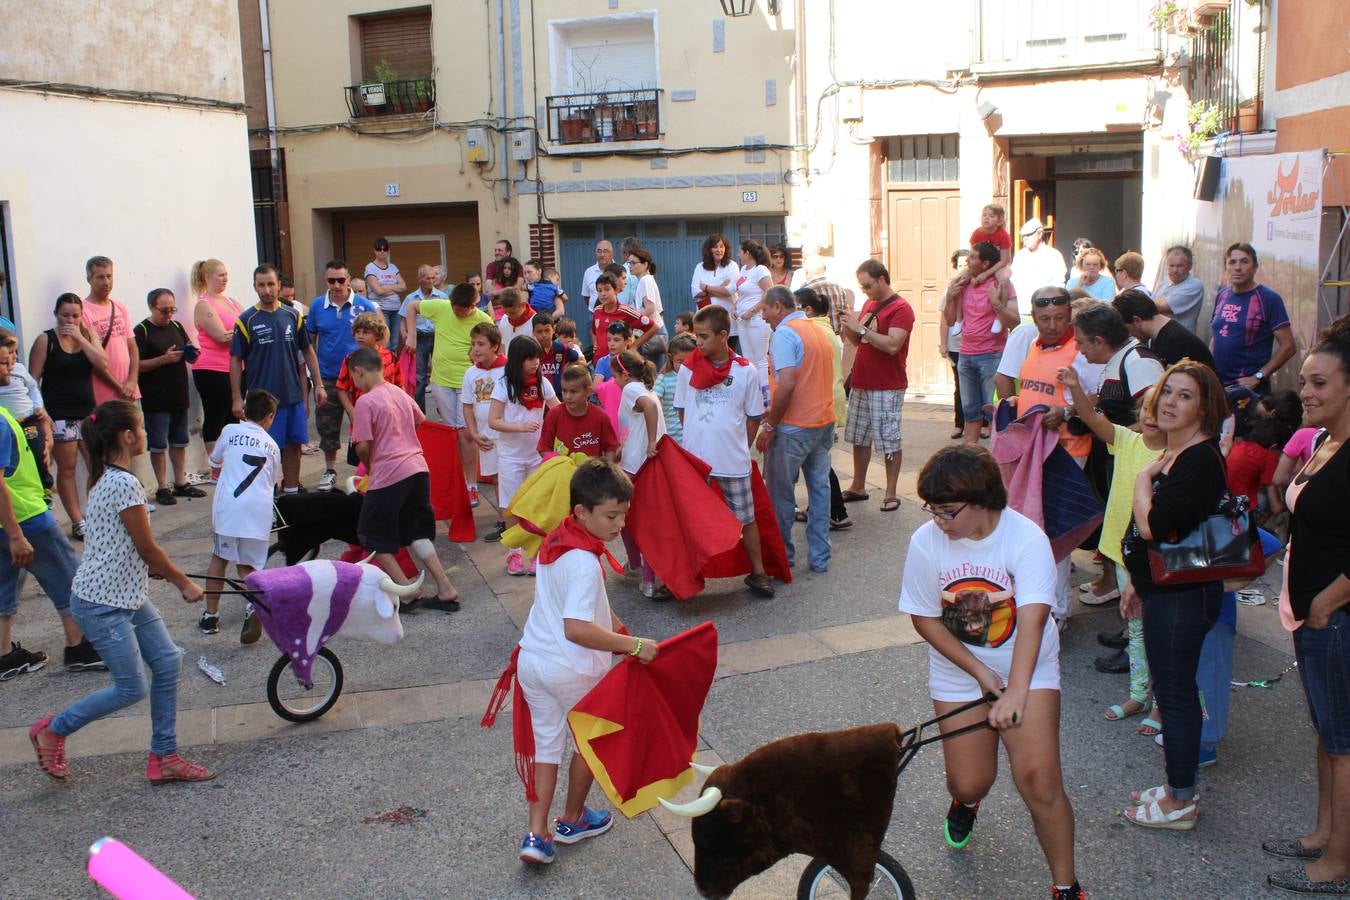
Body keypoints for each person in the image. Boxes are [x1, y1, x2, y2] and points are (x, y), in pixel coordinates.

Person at [899, 445, 1082, 900]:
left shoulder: (1025, 538)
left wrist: (1016, 689)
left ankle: (1066, 885)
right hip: (961, 670)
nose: (938, 520)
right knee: (969, 779)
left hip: (1028, 669)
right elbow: (923, 617)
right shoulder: (926, 541)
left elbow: (1035, 617)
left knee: (1040, 782)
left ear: (982, 501)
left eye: (948, 511)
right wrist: (980, 672)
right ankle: (967, 800)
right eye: (933, 509)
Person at [29, 400, 213, 785]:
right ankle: (53, 729)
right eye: (141, 429)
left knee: (166, 661)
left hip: (123, 594)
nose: (144, 434)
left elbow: (120, 545)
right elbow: (147, 548)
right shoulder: (124, 482)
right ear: (128, 436)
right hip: (102, 604)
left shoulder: (106, 478)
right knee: (130, 687)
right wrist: (183, 582)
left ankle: (164, 755)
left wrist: (146, 568)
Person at [512, 459, 659, 864]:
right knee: (590, 741)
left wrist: (620, 630)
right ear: (582, 512)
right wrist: (632, 646)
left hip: (534, 662)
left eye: (624, 514)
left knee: (547, 744)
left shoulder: (560, 538)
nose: (620, 525)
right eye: (611, 516)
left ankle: (536, 835)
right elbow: (577, 627)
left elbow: (584, 607)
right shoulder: (582, 561)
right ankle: (573, 820)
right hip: (571, 666)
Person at [1118, 361, 1231, 830]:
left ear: (1205, 408)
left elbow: (1155, 527)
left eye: (1184, 396)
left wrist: (1143, 482)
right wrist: (1138, 585)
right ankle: (1173, 789)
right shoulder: (1178, 455)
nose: (1169, 402)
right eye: (1168, 392)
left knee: (1176, 695)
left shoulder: (1199, 458)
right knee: (1175, 690)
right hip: (1167, 592)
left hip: (1183, 598)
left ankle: (1180, 800)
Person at [1265, 316, 1350, 893]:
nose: (1307, 393)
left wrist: (1327, 603)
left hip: (1336, 619)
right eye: (1304, 382)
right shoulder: (1323, 442)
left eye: (1320, 383)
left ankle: (1339, 862)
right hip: (1310, 615)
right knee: (1327, 735)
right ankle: (1323, 833)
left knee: (1345, 744)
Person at [1059, 367, 1163, 728]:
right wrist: (1074, 387)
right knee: (1135, 626)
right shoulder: (1127, 441)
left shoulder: (1176, 455)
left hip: (1155, 556)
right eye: (1147, 410)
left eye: (1160, 411)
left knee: (1160, 631)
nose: (1152, 417)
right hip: (1123, 551)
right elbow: (1090, 416)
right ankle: (1138, 694)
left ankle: (1162, 704)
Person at [349, 346, 461, 610]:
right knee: (415, 531)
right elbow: (419, 420)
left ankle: (406, 592)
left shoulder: (365, 401)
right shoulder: (399, 392)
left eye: (354, 378)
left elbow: (363, 445)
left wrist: (371, 464)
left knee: (370, 534)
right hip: (417, 468)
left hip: (389, 474)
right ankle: (446, 588)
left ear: (359, 371)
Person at [0, 397, 103, 680]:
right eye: (4, 360)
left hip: (10, 519)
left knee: (4, 585)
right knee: (68, 577)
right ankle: (79, 647)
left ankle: (4, 654)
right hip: (25, 517)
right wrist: (16, 534)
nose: (11, 366)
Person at [676, 305, 775, 599]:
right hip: (696, 463)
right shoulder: (687, 369)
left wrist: (739, 446)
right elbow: (682, 410)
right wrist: (697, 439)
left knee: (746, 518)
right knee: (689, 520)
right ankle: (684, 578)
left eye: (704, 336)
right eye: (696, 335)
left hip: (733, 462)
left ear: (723, 336)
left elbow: (754, 416)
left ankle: (758, 572)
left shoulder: (746, 370)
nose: (698, 342)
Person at [1072, 303, 1165, 612]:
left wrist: (1126, 438)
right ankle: (1116, 588)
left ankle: (1129, 610)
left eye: (1081, 341)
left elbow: (1158, 416)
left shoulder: (1138, 362)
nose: (1078, 348)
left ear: (1099, 341)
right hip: (1117, 457)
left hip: (1131, 462)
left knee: (1131, 532)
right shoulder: (1121, 360)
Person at [757, 287, 835, 574]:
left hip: (794, 428)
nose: (763, 316)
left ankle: (782, 558)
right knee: (819, 492)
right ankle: (819, 558)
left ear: (777, 306)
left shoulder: (784, 334)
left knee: (780, 496)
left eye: (765, 309)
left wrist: (770, 424)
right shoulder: (817, 330)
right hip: (822, 423)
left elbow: (788, 383)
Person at [233, 264, 325, 495]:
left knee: (293, 447)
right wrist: (236, 398)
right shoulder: (246, 320)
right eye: (261, 285)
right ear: (254, 287)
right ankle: (267, 497)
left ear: (279, 286)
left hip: (292, 396)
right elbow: (235, 361)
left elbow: (308, 352)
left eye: (271, 284)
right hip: (261, 401)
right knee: (265, 452)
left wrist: (318, 386)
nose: (267, 289)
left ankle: (291, 492)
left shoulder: (293, 315)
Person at [201, 389, 281, 640]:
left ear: (244, 412)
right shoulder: (272, 445)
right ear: (269, 417)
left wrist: (220, 467)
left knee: (220, 558)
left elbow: (214, 461)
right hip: (258, 510)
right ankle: (252, 606)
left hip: (229, 509)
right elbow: (272, 479)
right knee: (250, 566)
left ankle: (210, 616)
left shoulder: (230, 431)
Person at [403, 282, 494, 497]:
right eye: (454, 306)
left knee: (466, 433)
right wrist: (411, 335)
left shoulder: (484, 320)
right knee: (452, 432)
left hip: (468, 382)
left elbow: (494, 348)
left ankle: (471, 485)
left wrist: (479, 356)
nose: (456, 311)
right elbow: (412, 306)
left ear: (473, 305)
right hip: (441, 381)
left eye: (461, 309)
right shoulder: (442, 307)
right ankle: (455, 480)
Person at [839, 259, 915, 512]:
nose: (865, 291)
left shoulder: (902, 308)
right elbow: (859, 341)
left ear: (881, 279)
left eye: (868, 285)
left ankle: (891, 492)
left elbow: (892, 345)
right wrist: (848, 326)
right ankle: (858, 485)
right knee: (859, 438)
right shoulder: (871, 304)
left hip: (887, 384)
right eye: (861, 287)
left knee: (889, 439)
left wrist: (860, 329)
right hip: (862, 380)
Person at [29, 294, 104, 540]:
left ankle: (98, 513)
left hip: (88, 412)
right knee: (68, 468)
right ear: (56, 314)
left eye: (75, 315)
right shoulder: (45, 340)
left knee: (97, 463)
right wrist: (43, 415)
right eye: (65, 315)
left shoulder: (87, 336)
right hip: (60, 413)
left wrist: (81, 337)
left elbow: (103, 363)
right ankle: (77, 520)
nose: (69, 320)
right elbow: (32, 381)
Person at [489, 336, 560, 576]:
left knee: (538, 505)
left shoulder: (542, 383)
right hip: (510, 456)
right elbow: (493, 420)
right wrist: (519, 427)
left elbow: (558, 409)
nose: (536, 363)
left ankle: (537, 551)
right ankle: (515, 553)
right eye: (530, 358)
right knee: (511, 506)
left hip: (537, 455)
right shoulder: (503, 385)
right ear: (518, 360)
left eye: (537, 357)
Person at [307, 260, 379, 491]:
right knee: (327, 424)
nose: (336, 285)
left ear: (349, 280)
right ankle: (329, 470)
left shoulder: (364, 304)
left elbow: (381, 336)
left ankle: (372, 470)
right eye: (331, 280)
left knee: (368, 425)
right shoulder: (317, 306)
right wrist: (315, 379)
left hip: (360, 377)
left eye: (341, 280)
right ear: (326, 281)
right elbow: (309, 344)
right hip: (328, 376)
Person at [135, 289, 206, 508]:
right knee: (158, 445)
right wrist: (163, 359)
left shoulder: (176, 326)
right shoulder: (142, 331)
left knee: (180, 441)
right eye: (164, 310)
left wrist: (191, 353)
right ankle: (162, 487)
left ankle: (181, 482)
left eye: (172, 309)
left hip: (179, 394)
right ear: (151, 307)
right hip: (156, 398)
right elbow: (136, 365)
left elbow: (186, 351)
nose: (168, 314)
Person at [947, 243, 1017, 444]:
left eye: (972, 258)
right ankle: (971, 459)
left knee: (993, 411)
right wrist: (951, 297)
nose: (967, 261)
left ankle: (998, 460)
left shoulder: (1002, 284)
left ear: (985, 263)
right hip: (966, 354)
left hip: (992, 355)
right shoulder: (963, 283)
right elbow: (950, 320)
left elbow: (1013, 321)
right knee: (970, 411)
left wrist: (996, 303)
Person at [612, 351, 666, 597]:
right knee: (645, 521)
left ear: (625, 374)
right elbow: (637, 421)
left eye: (615, 375)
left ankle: (643, 573)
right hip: (644, 464)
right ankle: (639, 569)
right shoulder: (645, 388)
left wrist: (651, 441)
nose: (614, 381)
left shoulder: (631, 388)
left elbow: (650, 406)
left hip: (636, 466)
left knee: (632, 520)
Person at [798, 286, 852, 530]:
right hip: (828, 400)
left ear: (807, 310)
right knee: (818, 460)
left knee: (818, 462)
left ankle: (836, 512)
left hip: (821, 402)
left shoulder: (814, 330)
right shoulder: (824, 328)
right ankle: (826, 509)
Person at [1210, 242, 1297, 393]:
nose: (1238, 267)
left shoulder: (1269, 299)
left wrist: (1259, 376)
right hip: (1217, 387)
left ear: (1255, 267)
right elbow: (1216, 337)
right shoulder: (1222, 294)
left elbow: (1289, 346)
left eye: (1244, 262)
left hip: (1248, 392)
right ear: (1226, 267)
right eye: (1232, 262)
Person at [189, 259, 244, 461]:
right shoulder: (204, 304)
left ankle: (230, 460)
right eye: (220, 275)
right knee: (216, 415)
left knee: (233, 416)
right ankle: (215, 463)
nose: (225, 278)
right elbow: (222, 337)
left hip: (236, 367)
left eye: (226, 274)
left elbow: (249, 324)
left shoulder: (232, 302)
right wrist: (244, 335)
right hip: (212, 368)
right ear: (207, 277)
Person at [336, 312, 404, 466]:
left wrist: (399, 409)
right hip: (361, 416)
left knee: (386, 455)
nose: (360, 336)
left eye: (366, 332)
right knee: (362, 458)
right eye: (357, 332)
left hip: (387, 416)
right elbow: (341, 388)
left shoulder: (390, 357)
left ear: (377, 335)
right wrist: (351, 410)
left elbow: (400, 385)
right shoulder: (350, 359)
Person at [462, 321, 506, 524]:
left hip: (506, 435)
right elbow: (468, 406)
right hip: (485, 436)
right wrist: (473, 433)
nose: (475, 349)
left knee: (511, 477)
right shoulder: (471, 373)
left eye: (481, 344)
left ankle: (519, 518)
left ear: (495, 346)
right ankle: (504, 519)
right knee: (496, 478)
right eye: (473, 344)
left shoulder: (507, 370)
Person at [1112, 289, 1216, 371]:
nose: (1130, 334)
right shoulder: (1157, 337)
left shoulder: (1177, 342)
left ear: (1136, 320)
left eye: (1127, 328)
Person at [82, 256, 139, 405]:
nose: (106, 282)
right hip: (104, 395)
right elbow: (92, 359)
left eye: (109, 276)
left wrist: (132, 381)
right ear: (89, 279)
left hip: (130, 391)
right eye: (100, 277)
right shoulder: (83, 311)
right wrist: (119, 387)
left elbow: (132, 347)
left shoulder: (119, 306)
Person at [538, 365, 618, 463]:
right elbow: (544, 448)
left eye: (573, 392)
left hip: (590, 475)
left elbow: (611, 447)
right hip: (562, 474)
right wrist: (560, 463)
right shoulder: (554, 415)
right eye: (564, 391)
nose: (567, 396)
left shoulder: (600, 417)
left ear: (588, 391)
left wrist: (606, 468)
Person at [398, 264, 448, 412]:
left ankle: (443, 410)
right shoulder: (410, 298)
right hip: (419, 338)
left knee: (440, 374)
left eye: (433, 277)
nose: (431, 281)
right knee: (419, 377)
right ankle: (420, 412)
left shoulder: (442, 297)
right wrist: (404, 333)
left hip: (437, 336)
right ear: (420, 279)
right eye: (428, 278)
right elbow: (403, 319)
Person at [734, 240, 775, 393]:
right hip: (742, 319)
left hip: (757, 319)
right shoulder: (744, 269)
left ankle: (765, 395)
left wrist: (752, 311)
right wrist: (736, 306)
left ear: (747, 253)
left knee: (760, 359)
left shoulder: (761, 270)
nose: (738, 255)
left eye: (740, 251)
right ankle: (754, 393)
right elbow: (741, 292)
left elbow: (769, 292)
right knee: (749, 358)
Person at [941, 249, 972, 439]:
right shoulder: (950, 289)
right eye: (959, 265)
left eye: (966, 265)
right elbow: (944, 319)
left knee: (976, 385)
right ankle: (959, 424)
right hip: (955, 346)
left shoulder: (977, 287)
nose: (962, 269)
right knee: (960, 385)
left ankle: (983, 422)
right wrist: (943, 344)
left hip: (975, 345)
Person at [1009, 218, 1067, 317]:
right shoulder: (1019, 256)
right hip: (1021, 312)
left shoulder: (1053, 255)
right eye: (1023, 236)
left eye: (1029, 235)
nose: (1025, 239)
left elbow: (1059, 286)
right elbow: (1012, 281)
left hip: (1044, 311)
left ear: (1040, 234)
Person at [589, 273, 654, 354]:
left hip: (619, 363)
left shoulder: (626, 311)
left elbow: (654, 327)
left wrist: (634, 347)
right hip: (599, 362)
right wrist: (596, 345)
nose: (603, 294)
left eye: (607, 289)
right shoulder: (597, 311)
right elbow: (594, 331)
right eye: (599, 290)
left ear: (616, 290)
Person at [691, 234, 740, 339]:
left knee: (728, 354)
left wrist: (706, 288)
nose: (719, 250)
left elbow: (730, 291)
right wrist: (721, 287)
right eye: (715, 247)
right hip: (706, 320)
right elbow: (695, 292)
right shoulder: (700, 267)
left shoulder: (732, 266)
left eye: (721, 246)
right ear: (709, 249)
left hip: (727, 320)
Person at [364, 237, 407, 352]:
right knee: (384, 342)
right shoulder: (370, 268)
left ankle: (392, 368)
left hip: (396, 309)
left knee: (394, 343)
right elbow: (379, 291)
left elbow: (404, 286)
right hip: (381, 309)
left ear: (388, 251)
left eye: (385, 249)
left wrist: (386, 287)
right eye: (379, 249)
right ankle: (383, 368)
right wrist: (395, 288)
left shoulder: (393, 267)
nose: (382, 251)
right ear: (374, 251)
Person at [628, 248, 667, 370]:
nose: (630, 266)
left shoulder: (646, 280)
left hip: (653, 331)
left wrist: (634, 323)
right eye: (629, 263)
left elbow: (650, 308)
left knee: (652, 370)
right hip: (650, 330)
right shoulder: (643, 281)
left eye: (633, 263)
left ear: (645, 265)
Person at [654, 333, 696, 445]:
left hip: (693, 438)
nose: (685, 367)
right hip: (671, 438)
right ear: (670, 357)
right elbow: (653, 401)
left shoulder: (700, 378)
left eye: (690, 362)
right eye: (680, 362)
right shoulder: (664, 379)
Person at [1153, 246, 1206, 334]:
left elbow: (1162, 307)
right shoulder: (1163, 284)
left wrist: (1159, 304)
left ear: (1190, 266)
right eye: (1171, 265)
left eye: (1180, 266)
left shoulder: (1195, 285)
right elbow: (1151, 307)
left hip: (1180, 343)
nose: (1175, 270)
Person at [800, 254, 852, 335]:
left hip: (816, 338)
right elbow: (846, 318)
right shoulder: (838, 287)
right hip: (836, 337)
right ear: (824, 269)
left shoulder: (805, 290)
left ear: (806, 272)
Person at [534, 313, 581, 397]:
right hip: (538, 396)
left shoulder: (563, 349)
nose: (544, 335)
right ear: (533, 332)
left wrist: (565, 371)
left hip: (559, 396)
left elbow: (577, 359)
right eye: (539, 331)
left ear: (553, 330)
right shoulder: (531, 351)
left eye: (547, 330)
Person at [968, 203, 1012, 285]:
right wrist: (973, 274)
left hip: (998, 266)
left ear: (999, 221)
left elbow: (1005, 260)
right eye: (984, 215)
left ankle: (1001, 298)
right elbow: (972, 255)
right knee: (961, 278)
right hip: (980, 265)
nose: (986, 218)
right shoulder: (976, 234)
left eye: (991, 216)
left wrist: (986, 274)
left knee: (1004, 278)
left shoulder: (1004, 236)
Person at [581, 241, 615, 313]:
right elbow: (586, 298)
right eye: (599, 251)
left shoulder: (619, 270)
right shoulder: (589, 272)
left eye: (605, 251)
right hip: (595, 315)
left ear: (612, 254)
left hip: (616, 314)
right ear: (595, 254)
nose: (602, 254)